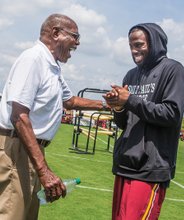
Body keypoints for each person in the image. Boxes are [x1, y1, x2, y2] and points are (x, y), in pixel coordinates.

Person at [0, 14, 108, 220]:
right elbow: (19, 116)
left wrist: (107, 105)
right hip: (17, 148)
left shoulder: (52, 66)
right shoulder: (33, 59)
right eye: (75, 36)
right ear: (56, 33)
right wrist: (44, 171)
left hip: (29, 149)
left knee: (25, 214)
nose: (78, 42)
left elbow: (70, 101)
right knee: (11, 213)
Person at [103, 23, 184, 220]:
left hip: (150, 168)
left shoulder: (174, 70)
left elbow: (172, 114)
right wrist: (118, 106)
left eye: (139, 45)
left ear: (154, 43)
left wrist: (130, 100)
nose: (134, 50)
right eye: (131, 45)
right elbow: (125, 123)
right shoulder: (131, 75)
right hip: (125, 164)